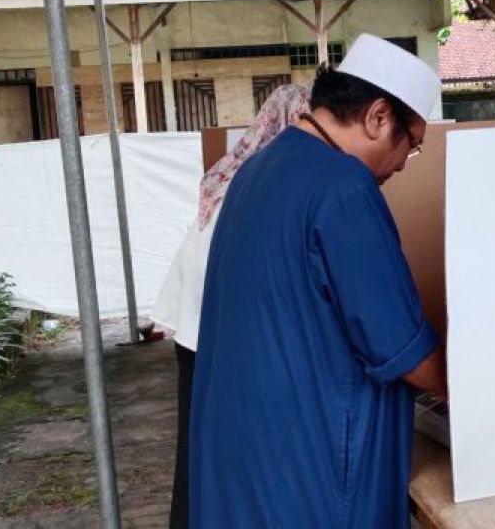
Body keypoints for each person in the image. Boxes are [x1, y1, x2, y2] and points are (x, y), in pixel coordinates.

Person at [189, 34, 447, 528]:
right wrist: (469, 389)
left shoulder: (257, 169)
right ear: (377, 117)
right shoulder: (343, 186)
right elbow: (404, 350)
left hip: (247, 455)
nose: (400, 166)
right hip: (315, 465)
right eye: (411, 146)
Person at [154, 84, 310, 529]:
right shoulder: (262, 187)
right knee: (229, 450)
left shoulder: (229, 173)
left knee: (197, 442)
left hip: (192, 333)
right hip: (219, 334)